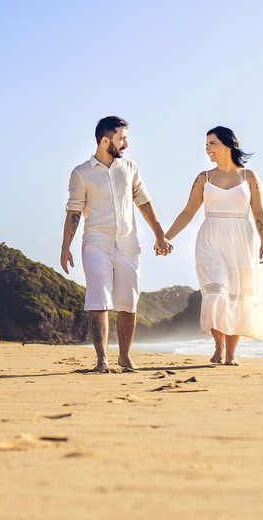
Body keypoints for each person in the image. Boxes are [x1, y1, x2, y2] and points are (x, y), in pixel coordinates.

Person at [62, 116, 170, 373]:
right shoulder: (81, 173)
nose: (126, 144)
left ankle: (124, 357)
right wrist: (65, 247)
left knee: (128, 303)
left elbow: (143, 201)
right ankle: (102, 361)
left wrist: (159, 234)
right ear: (105, 140)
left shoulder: (130, 168)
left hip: (128, 244)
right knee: (98, 300)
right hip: (96, 244)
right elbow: (73, 211)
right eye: (121, 138)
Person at [158, 126, 263, 365]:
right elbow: (188, 212)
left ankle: (231, 354)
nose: (207, 148)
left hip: (241, 238)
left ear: (228, 145)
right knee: (216, 293)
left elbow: (258, 211)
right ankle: (218, 347)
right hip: (210, 238)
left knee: (237, 296)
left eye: (212, 143)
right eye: (206, 144)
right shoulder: (203, 178)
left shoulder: (248, 176)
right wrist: (165, 237)